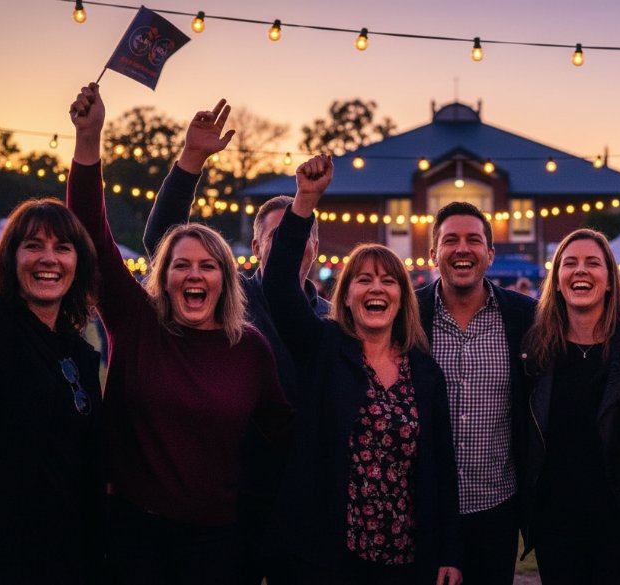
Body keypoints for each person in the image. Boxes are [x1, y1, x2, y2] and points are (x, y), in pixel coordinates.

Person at [67, 83, 291, 584]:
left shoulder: (249, 349)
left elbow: (284, 433)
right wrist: (88, 138)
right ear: (163, 276)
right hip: (131, 533)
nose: (194, 274)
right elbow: (89, 231)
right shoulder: (136, 320)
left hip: (215, 541)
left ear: (225, 279)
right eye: (181, 264)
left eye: (208, 266)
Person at [141, 99, 330, 585]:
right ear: (257, 245)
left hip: (304, 495)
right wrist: (190, 163)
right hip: (234, 493)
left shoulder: (332, 318)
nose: (291, 244)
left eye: (301, 235)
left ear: (315, 245)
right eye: (277, 236)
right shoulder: (232, 298)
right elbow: (165, 240)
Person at [261, 154, 462, 585]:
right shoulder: (323, 347)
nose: (376, 288)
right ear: (347, 295)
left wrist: (449, 551)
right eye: (364, 279)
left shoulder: (424, 373)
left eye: (388, 280)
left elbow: (441, 469)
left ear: (402, 298)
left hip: (404, 558)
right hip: (328, 555)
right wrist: (304, 201)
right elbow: (276, 286)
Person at [519, 228, 620, 583]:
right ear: (557, 282)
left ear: (611, 280)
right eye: (569, 263)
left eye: (592, 263)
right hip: (557, 524)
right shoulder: (534, 349)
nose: (580, 270)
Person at [0, 198, 103, 584]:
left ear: (78, 262)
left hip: (67, 559)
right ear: (11, 258)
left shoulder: (80, 355)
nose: (49, 258)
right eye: (33, 245)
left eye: (63, 247)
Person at [415, 201, 536, 585]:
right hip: (422, 509)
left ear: (490, 253)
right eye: (450, 240)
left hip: (497, 507)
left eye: (473, 240)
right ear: (433, 253)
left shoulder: (525, 316)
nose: (462, 249)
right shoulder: (409, 314)